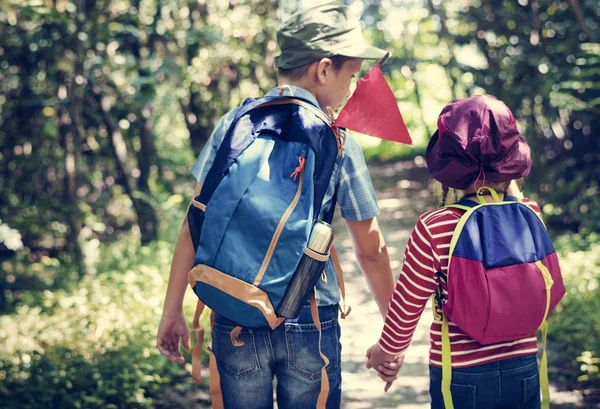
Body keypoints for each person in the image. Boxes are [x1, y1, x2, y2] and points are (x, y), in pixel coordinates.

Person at [157, 3, 396, 408]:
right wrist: (393, 335)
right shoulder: (338, 139)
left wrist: (172, 310)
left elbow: (195, 220)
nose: (353, 87)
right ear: (323, 69)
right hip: (309, 312)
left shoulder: (236, 122)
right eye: (352, 75)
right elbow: (370, 249)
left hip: (233, 306)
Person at [366, 95, 562, 408]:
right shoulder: (530, 214)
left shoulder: (435, 226)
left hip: (462, 376)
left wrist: (385, 354)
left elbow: (406, 309)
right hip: (523, 368)